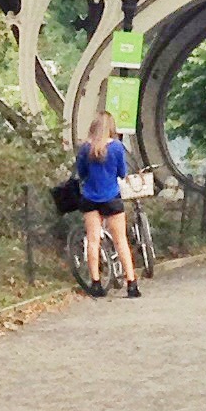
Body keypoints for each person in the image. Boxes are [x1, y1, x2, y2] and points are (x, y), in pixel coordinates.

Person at [73, 110, 139, 298]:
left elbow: (82, 174)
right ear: (111, 127)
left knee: (93, 240)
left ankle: (96, 283)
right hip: (111, 198)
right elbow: (121, 173)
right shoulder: (117, 147)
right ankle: (131, 284)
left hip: (90, 199)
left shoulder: (85, 148)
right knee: (121, 241)